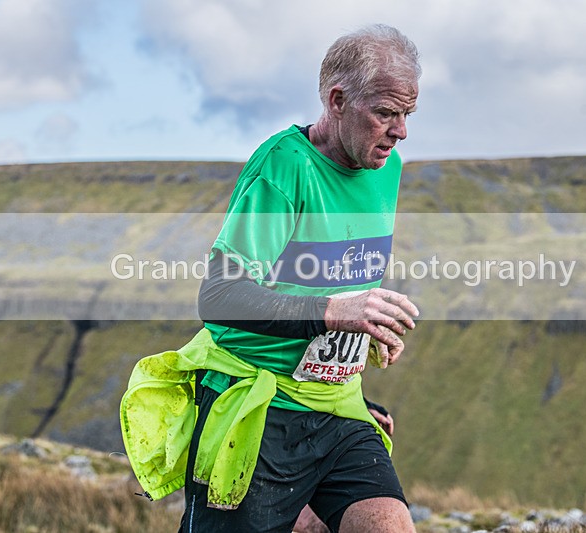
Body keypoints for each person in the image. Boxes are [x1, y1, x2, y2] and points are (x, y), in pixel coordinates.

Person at [153, 24, 420, 532]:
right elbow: (220, 294)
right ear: (338, 100)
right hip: (257, 409)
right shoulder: (283, 166)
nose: (400, 130)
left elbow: (327, 277)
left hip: (336, 408)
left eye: (408, 114)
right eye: (386, 112)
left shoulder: (388, 168)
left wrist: (354, 359)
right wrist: (335, 313)